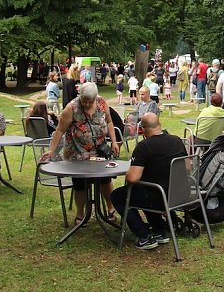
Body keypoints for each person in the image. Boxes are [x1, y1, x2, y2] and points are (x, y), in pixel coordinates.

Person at [40, 82, 120, 224]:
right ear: (80, 96)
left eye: (90, 101)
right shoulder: (71, 108)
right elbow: (59, 130)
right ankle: (80, 214)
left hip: (99, 151)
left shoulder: (102, 103)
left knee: (105, 179)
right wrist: (52, 150)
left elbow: (109, 122)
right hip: (77, 153)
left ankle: (110, 208)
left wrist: (114, 141)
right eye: (85, 101)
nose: (87, 104)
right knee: (80, 184)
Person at [110, 112, 188, 250]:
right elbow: (188, 167)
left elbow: (133, 178)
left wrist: (129, 172)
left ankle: (144, 236)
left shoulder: (144, 146)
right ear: (159, 125)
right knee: (145, 190)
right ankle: (160, 230)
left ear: (143, 129)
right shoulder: (176, 140)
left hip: (158, 197)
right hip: (179, 194)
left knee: (118, 195)